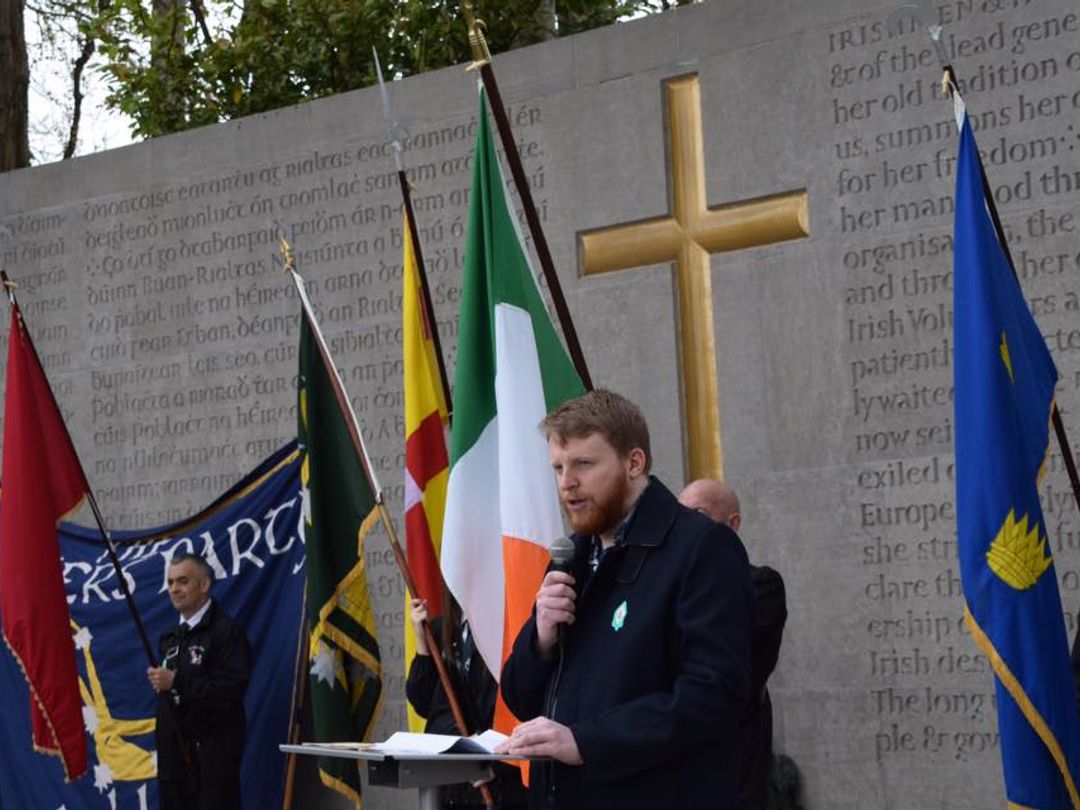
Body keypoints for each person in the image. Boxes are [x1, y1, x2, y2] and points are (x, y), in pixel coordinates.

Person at [496, 389, 754, 809]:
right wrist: (541, 640)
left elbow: (712, 696)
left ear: (634, 462)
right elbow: (523, 698)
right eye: (558, 468)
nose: (567, 483)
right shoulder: (573, 556)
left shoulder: (700, 548)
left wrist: (586, 741)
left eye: (583, 464)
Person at [679, 479, 788, 810]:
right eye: (679, 515)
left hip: (733, 755)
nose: (686, 526)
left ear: (733, 523)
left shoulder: (761, 584)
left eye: (697, 514)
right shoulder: (668, 585)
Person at [147, 552, 253, 810]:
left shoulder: (226, 633)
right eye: (170, 582)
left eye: (182, 581)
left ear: (204, 585)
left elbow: (229, 693)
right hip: (173, 769)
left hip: (211, 771)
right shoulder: (169, 638)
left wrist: (177, 681)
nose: (174, 589)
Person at [406, 596, 527, 809]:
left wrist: (499, 764)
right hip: (451, 778)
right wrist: (422, 643)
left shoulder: (509, 626)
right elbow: (423, 703)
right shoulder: (441, 628)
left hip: (496, 776)